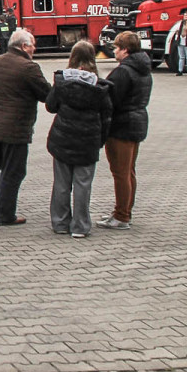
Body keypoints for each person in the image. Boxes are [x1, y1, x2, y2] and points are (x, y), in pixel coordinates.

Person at [0, 28, 51, 226]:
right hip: (15, 127)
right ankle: (5, 214)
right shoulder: (28, 67)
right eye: (32, 45)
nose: (34, 49)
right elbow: (46, 94)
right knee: (14, 171)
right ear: (23, 46)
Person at [45, 41, 112, 238]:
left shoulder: (62, 81)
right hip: (88, 140)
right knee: (83, 184)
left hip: (62, 139)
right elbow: (107, 115)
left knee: (61, 183)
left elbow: (50, 106)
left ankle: (60, 222)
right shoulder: (99, 86)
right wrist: (101, 139)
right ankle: (81, 226)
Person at [98, 31, 153, 230]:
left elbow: (111, 98)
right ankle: (124, 210)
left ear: (125, 50)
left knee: (120, 172)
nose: (114, 52)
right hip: (137, 121)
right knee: (129, 171)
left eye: (116, 48)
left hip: (121, 125)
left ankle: (121, 215)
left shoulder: (124, 71)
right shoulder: (143, 69)